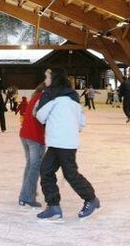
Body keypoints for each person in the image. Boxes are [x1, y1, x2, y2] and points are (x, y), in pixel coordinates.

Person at [35, 68, 100, 221]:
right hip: (65, 143)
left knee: (68, 173)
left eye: (47, 77)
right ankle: (53, 207)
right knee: (47, 171)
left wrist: (40, 105)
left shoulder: (51, 97)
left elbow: (40, 116)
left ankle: (91, 199)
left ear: (54, 79)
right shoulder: (73, 99)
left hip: (59, 142)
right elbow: (81, 123)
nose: (45, 80)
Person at [18, 81, 46, 209]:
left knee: (30, 165)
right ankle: (27, 197)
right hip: (34, 136)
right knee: (35, 167)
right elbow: (39, 116)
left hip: (26, 134)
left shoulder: (36, 96)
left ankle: (26, 195)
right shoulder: (43, 97)